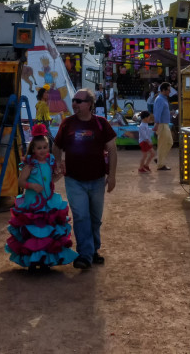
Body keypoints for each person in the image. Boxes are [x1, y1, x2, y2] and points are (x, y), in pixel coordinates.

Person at [52, 87, 117, 270]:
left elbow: (112, 149)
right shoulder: (67, 123)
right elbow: (57, 146)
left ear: (89, 104)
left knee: (95, 218)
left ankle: (93, 250)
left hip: (96, 180)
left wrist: (112, 176)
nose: (74, 104)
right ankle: (85, 255)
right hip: (74, 180)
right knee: (81, 217)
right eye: (73, 100)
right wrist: (58, 162)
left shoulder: (101, 123)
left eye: (79, 101)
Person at [5, 124, 76, 272]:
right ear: (33, 149)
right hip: (32, 204)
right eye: (39, 148)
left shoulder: (50, 163)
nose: (43, 150)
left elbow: (51, 180)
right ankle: (32, 261)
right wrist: (32, 186)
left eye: (45, 147)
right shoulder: (29, 165)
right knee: (34, 232)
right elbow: (20, 182)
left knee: (45, 232)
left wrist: (60, 174)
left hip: (47, 203)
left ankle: (44, 261)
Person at [153, 82, 174, 170]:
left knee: (168, 142)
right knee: (164, 143)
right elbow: (158, 113)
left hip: (164, 123)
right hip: (161, 124)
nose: (170, 92)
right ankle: (160, 163)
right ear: (164, 90)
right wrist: (157, 124)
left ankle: (159, 159)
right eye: (168, 90)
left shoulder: (163, 99)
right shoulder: (160, 99)